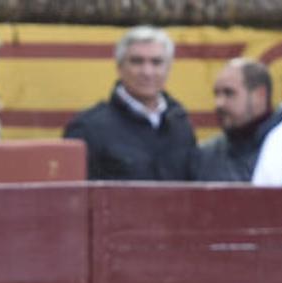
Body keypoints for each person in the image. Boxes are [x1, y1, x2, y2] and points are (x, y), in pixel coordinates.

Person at [62, 25, 195, 181]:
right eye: (137, 62)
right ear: (119, 67)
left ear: (168, 69)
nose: (147, 72)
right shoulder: (88, 128)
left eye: (156, 62)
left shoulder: (181, 124)